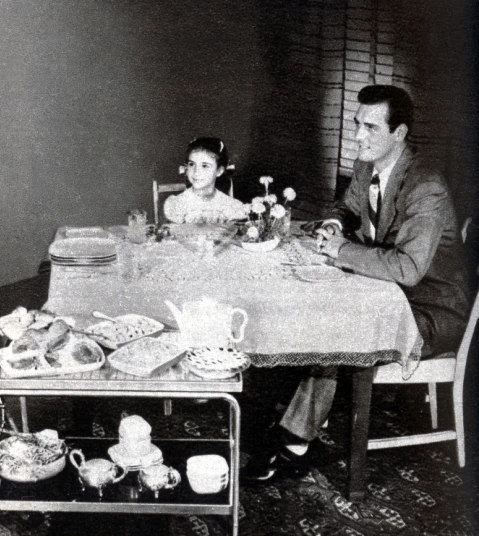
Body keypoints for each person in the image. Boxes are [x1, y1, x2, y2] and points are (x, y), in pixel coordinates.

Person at [252, 85, 470, 479]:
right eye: (356, 124)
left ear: (399, 134)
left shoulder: (427, 187)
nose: (356, 136)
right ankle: (300, 417)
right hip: (390, 292)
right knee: (313, 304)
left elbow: (407, 269)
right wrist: (336, 223)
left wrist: (340, 251)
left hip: (431, 307)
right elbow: (347, 207)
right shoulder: (368, 166)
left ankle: (296, 441)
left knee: (339, 328)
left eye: (370, 127)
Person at [163, 137, 247, 224]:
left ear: (219, 171)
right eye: (191, 164)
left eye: (204, 166)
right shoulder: (178, 204)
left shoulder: (229, 205)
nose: (196, 172)